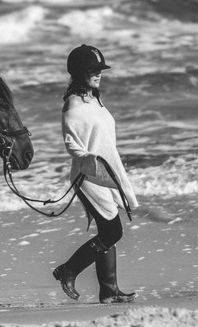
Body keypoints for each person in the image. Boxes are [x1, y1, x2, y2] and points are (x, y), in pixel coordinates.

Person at [52, 44, 139, 303]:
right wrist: (87, 161)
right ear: (79, 73)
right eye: (92, 70)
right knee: (112, 232)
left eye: (100, 69)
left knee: (107, 230)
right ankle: (68, 270)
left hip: (103, 173)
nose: (98, 74)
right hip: (89, 176)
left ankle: (109, 290)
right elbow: (71, 143)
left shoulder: (94, 99)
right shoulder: (74, 104)